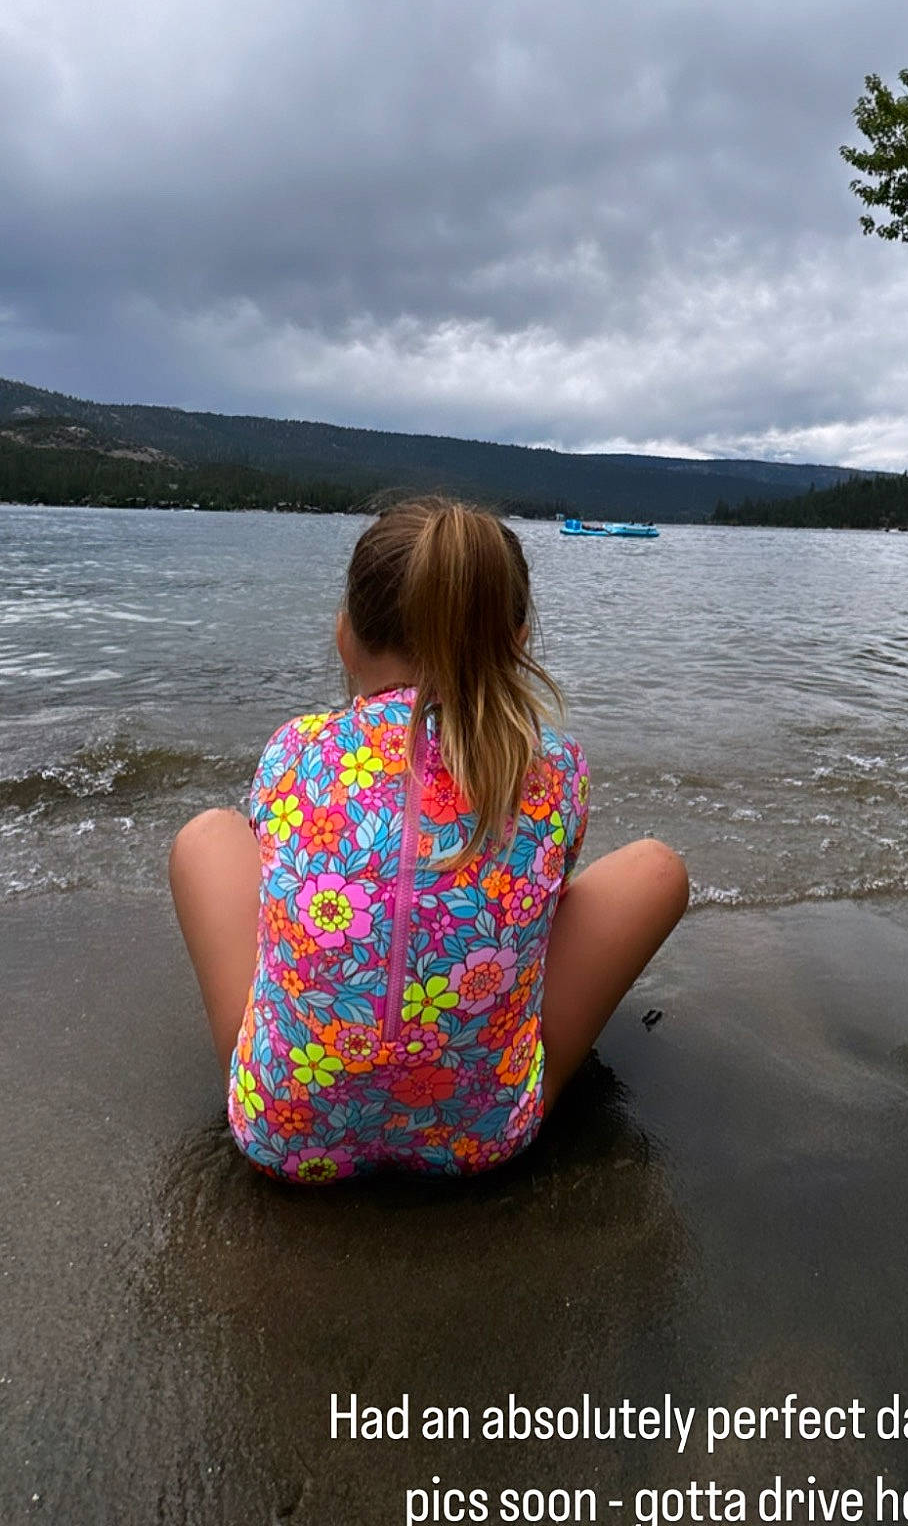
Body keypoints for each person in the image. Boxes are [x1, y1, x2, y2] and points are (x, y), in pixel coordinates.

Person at [169, 497, 688, 1181]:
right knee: (658, 870)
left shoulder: (294, 750)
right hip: (483, 1138)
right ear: (518, 640)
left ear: (345, 635)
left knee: (207, 835)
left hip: (282, 1138)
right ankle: (471, 1068)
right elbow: (544, 907)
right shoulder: (554, 766)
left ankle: (282, 1078)